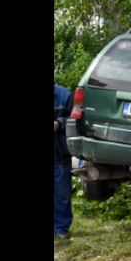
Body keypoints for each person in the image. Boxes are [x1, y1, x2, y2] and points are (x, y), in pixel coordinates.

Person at [54, 84, 74, 240]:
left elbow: (75, 119)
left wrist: (59, 123)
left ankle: (61, 228)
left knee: (62, 193)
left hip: (59, 155)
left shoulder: (65, 95)